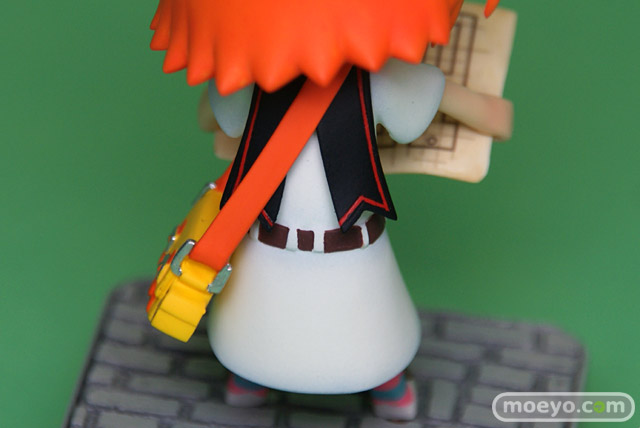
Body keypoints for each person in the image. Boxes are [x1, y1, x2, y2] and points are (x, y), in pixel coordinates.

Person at [148, 0, 505, 420]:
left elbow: (211, 118)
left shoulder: (274, 76)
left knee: (358, 325)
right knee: (273, 321)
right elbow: (492, 119)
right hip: (295, 244)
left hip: (326, 245)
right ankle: (264, 375)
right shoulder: (383, 78)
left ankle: (370, 382)